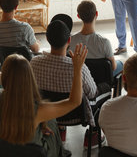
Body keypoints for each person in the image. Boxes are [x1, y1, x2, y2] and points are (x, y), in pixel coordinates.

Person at [0, 46, 88, 157]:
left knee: (48, 122)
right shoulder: (38, 110)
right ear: (29, 77)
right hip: (31, 153)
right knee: (51, 122)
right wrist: (77, 69)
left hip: (1, 151)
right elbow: (75, 102)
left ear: (4, 76)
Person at [30, 19, 98, 147]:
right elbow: (92, 92)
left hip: (47, 114)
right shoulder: (79, 68)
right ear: (69, 41)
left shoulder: (34, 63)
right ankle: (93, 134)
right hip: (76, 116)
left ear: (47, 38)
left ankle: (60, 129)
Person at [69, 0, 123, 76]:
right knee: (120, 63)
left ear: (78, 16)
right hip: (101, 80)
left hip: (79, 77)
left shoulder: (71, 40)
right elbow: (113, 67)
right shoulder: (104, 42)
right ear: (96, 14)